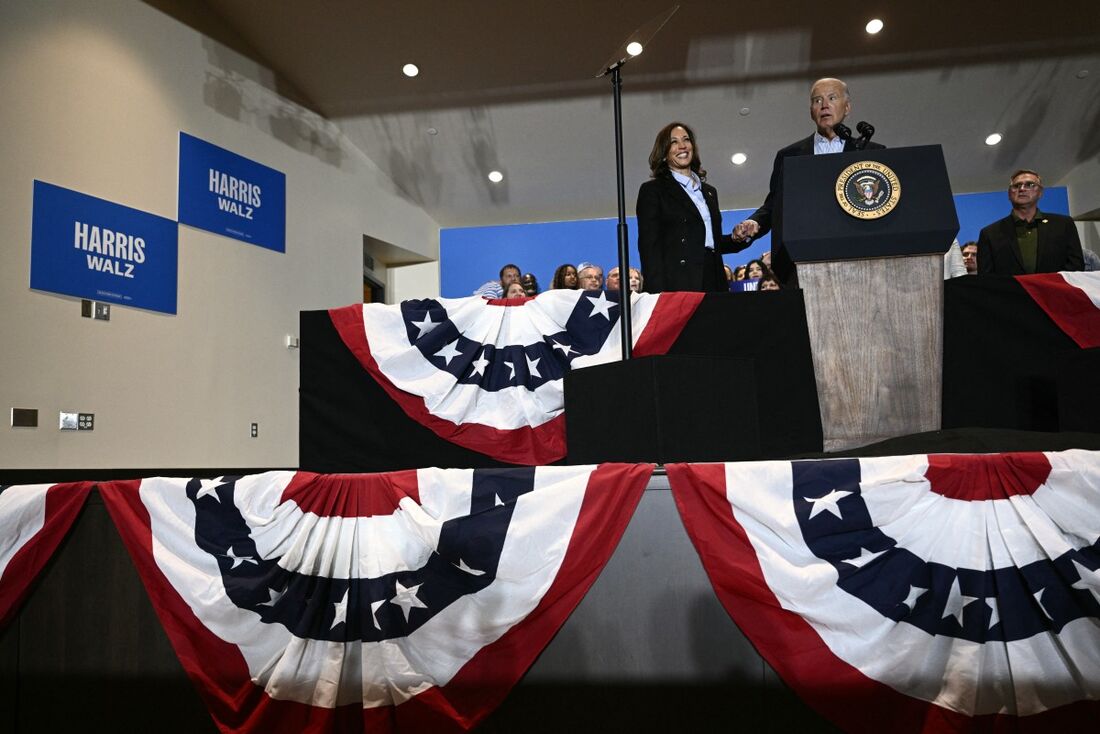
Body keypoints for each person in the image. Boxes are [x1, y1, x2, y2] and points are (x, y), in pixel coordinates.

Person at [732, 78, 884, 287]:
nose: (824, 105)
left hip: (859, 263)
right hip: (803, 263)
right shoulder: (790, 155)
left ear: (847, 107)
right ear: (811, 110)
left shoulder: (872, 153)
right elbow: (775, 204)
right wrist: (755, 222)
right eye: (817, 100)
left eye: (832, 98)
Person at [636, 121, 748, 292]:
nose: (682, 146)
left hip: (715, 278)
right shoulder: (653, 190)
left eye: (686, 140)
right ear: (664, 153)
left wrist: (736, 238)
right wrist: (658, 295)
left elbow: (711, 242)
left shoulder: (710, 192)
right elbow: (649, 248)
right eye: (674, 142)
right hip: (680, 283)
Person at [976, 169, 1083, 275]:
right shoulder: (989, 233)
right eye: (1016, 186)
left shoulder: (1063, 224)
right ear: (1009, 194)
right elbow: (987, 279)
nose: (1022, 189)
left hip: (1054, 291)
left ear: (1040, 192)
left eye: (1030, 184)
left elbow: (1076, 268)